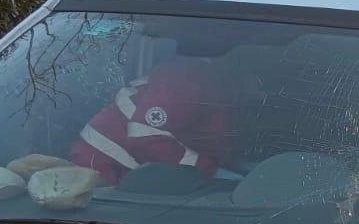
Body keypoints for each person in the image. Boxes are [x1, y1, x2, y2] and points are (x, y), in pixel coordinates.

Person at [70, 56, 259, 184]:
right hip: (104, 178)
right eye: (261, 82)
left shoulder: (219, 89)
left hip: (135, 178)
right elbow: (146, 137)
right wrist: (210, 172)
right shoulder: (187, 76)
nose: (260, 93)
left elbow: (203, 138)